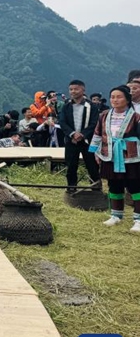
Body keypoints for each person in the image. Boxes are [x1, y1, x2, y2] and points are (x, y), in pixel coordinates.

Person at [89, 86, 140, 232]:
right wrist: (95, 152)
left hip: (131, 156)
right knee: (114, 185)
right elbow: (97, 134)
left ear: (127, 99)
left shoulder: (136, 117)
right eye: (112, 97)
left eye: (119, 97)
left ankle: (138, 219)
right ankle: (116, 215)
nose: (115, 100)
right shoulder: (104, 116)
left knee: (135, 187)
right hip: (109, 155)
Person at [58, 80, 100, 192]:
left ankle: (95, 186)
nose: (73, 92)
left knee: (92, 165)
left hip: (87, 140)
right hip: (71, 140)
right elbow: (62, 122)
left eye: (76, 89)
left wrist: (82, 134)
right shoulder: (66, 106)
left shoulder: (91, 106)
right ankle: (71, 187)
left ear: (83, 90)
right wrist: (72, 134)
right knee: (71, 165)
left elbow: (94, 123)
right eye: (71, 89)